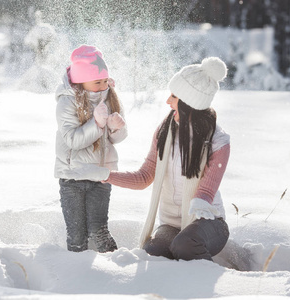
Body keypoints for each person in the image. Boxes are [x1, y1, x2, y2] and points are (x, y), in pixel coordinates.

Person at [105, 57, 230, 261]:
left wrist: (200, 202)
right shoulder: (165, 131)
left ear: (190, 102)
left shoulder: (217, 140)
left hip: (209, 222)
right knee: (153, 253)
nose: (168, 102)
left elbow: (208, 187)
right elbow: (144, 176)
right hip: (172, 224)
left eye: (174, 96)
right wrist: (106, 176)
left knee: (185, 244)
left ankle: (207, 281)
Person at [54, 45, 127, 253]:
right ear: (81, 81)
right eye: (97, 82)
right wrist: (97, 124)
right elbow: (73, 140)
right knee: (77, 235)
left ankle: (116, 270)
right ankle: (76, 276)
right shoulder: (67, 102)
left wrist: (114, 128)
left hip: (101, 175)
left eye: (105, 80)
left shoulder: (110, 97)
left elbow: (118, 138)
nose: (103, 86)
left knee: (99, 231)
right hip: (73, 177)